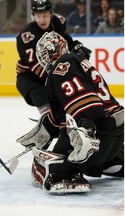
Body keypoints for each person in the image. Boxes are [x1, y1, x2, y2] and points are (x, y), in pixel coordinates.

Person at [30, 31, 124, 193]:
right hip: (115, 129)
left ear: (54, 51)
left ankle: (65, 171)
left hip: (98, 131)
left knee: (52, 162)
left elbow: (87, 106)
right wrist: (49, 126)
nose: (44, 59)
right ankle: (113, 161)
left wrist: (85, 128)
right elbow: (64, 113)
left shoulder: (62, 65)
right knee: (98, 158)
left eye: (45, 54)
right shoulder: (76, 60)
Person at [15, 0, 91, 147]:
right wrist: (60, 78)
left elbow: (67, 42)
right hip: (31, 79)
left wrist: (77, 47)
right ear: (33, 16)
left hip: (54, 74)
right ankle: (43, 137)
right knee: (51, 112)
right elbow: (35, 66)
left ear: (51, 14)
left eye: (45, 15)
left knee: (67, 106)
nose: (42, 19)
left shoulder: (57, 22)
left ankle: (68, 135)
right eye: (38, 16)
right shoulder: (26, 35)